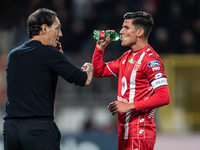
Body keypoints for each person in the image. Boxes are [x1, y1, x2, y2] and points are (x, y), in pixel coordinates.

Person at [3, 8, 93, 150]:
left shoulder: (13, 55)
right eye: (57, 29)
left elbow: (35, 72)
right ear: (44, 29)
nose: (60, 34)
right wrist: (89, 67)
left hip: (11, 129)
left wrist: (55, 59)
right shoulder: (50, 53)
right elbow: (83, 79)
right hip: (37, 129)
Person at [92, 11, 170, 150]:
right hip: (125, 132)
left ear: (139, 32)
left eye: (126, 27)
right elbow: (99, 71)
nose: (121, 31)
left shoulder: (151, 60)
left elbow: (164, 96)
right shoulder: (127, 57)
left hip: (140, 132)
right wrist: (99, 49)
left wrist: (129, 106)